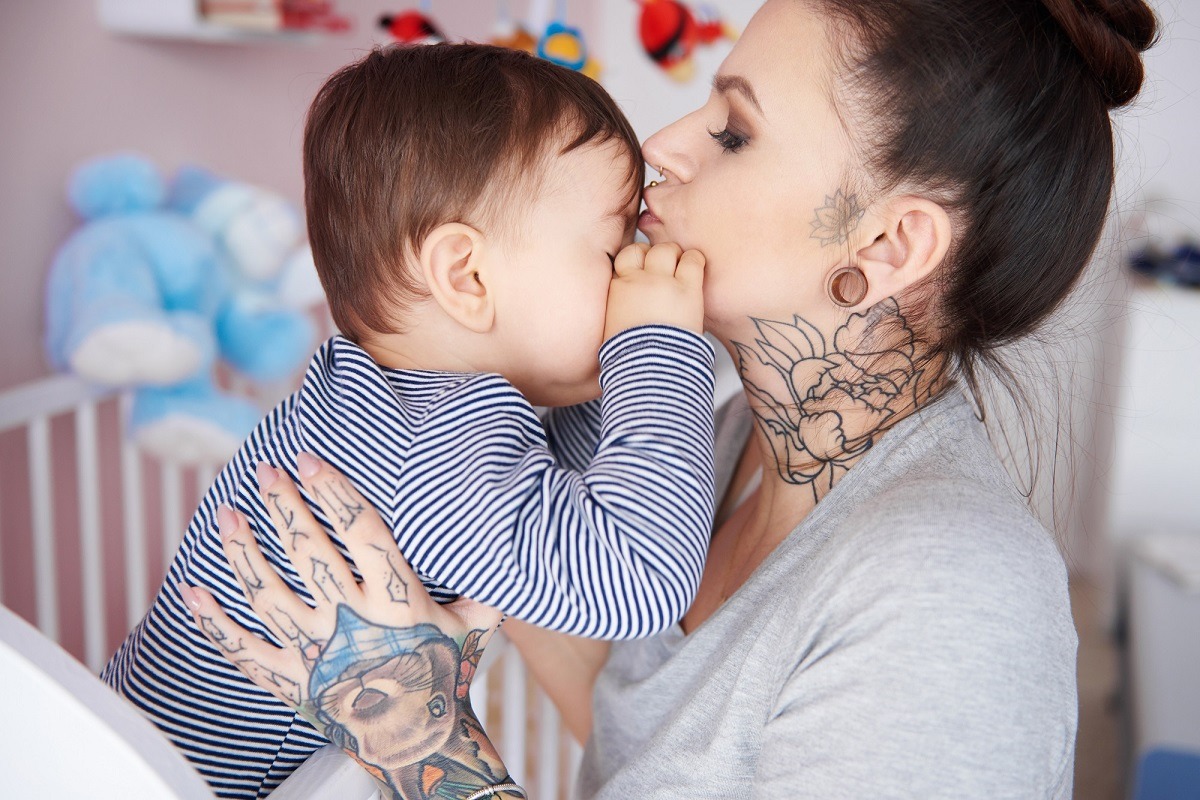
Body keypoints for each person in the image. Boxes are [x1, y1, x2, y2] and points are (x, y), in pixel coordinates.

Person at [182, 0, 1160, 797]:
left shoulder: (953, 589)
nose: (665, 144)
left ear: (888, 247)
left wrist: (417, 745)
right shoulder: (721, 441)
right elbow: (636, 731)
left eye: (734, 131)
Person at [102, 43, 719, 797]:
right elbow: (640, 578)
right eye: (614, 241)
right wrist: (658, 345)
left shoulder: (387, 395)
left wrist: (621, 355)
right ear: (466, 275)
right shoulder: (437, 454)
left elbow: (578, 481)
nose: (633, 263)